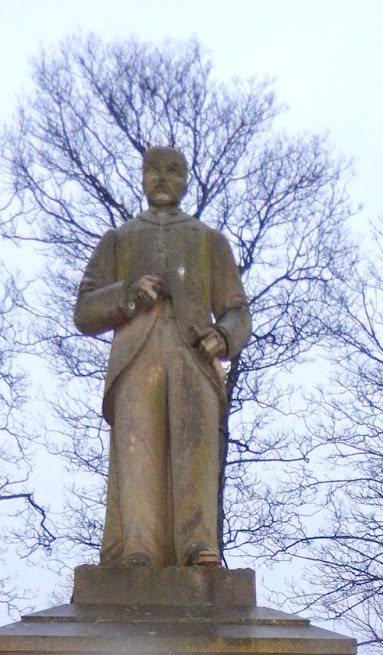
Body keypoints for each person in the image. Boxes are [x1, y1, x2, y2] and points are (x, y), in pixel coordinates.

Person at [74, 145, 252, 569]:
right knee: (138, 450)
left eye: (173, 171)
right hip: (136, 355)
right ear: (141, 176)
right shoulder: (119, 239)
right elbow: (84, 310)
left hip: (193, 356)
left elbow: (238, 310)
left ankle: (198, 543)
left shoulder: (209, 241)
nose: (162, 178)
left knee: (196, 447)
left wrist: (223, 336)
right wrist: (126, 294)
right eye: (153, 169)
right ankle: (138, 548)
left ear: (186, 180)